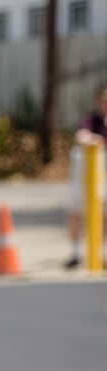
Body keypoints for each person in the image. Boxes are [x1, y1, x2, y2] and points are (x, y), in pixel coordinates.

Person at [64, 85, 107, 269]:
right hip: (85, 174)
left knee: (103, 213)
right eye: (103, 101)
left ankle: (102, 251)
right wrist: (92, 139)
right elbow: (82, 135)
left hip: (103, 176)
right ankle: (75, 252)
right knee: (76, 211)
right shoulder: (91, 120)